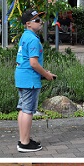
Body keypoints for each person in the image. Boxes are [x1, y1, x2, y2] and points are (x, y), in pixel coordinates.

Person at [15, 9, 56, 153]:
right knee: (28, 111)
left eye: (40, 19)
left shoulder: (25, 36)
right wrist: (46, 75)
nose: (41, 22)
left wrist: (44, 73)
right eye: (37, 20)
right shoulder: (33, 39)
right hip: (29, 79)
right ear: (28, 24)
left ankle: (23, 139)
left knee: (22, 108)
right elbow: (33, 63)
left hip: (22, 77)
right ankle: (25, 143)